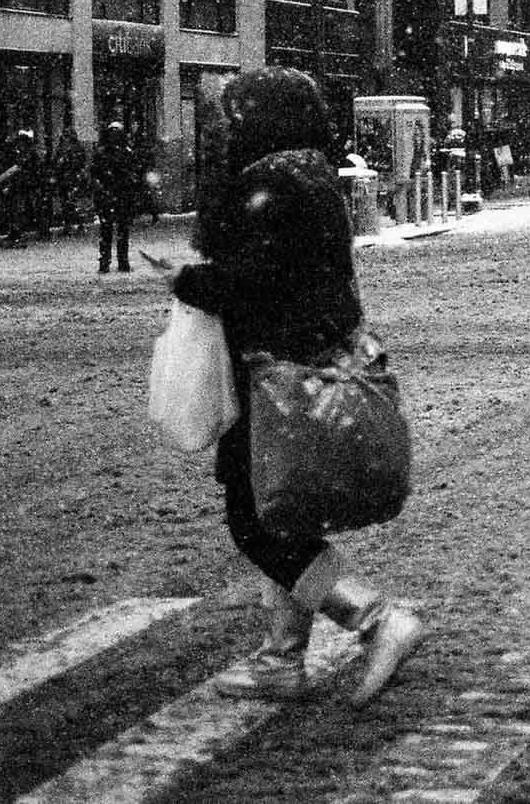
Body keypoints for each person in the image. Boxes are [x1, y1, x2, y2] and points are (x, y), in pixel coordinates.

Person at [171, 67, 425, 704]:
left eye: (238, 116)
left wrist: (186, 281)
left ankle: (375, 620)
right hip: (310, 365)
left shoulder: (273, 184)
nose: (229, 128)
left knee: (256, 524)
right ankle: (281, 661)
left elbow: (252, 285)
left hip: (280, 380)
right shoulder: (312, 176)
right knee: (280, 519)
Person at [90, 122, 145, 274]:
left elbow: (133, 174)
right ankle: (114, 262)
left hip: (117, 196)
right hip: (115, 196)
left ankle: (112, 262)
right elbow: (95, 175)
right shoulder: (121, 152)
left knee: (113, 231)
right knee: (115, 231)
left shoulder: (121, 153)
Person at [51, 121, 90, 235]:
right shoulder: (63, 149)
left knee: (73, 203)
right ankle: (70, 225)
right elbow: (57, 163)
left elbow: (79, 163)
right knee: (68, 203)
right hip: (66, 179)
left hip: (72, 179)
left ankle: (77, 225)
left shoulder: (74, 149)